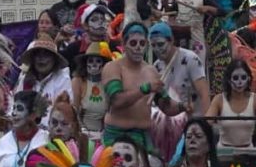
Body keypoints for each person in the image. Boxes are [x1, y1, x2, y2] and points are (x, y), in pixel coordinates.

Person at [101, 21, 168, 151]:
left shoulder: (152, 71)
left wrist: (183, 106)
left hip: (144, 137)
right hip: (116, 137)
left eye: (142, 43)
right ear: (124, 45)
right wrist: (145, 89)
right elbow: (116, 101)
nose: (138, 47)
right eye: (133, 43)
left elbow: (167, 106)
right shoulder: (112, 68)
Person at [0, 90, 50, 167]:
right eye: (13, 108)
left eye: (19, 109)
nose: (13, 113)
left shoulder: (46, 141)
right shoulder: (1, 144)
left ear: (34, 114)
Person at [150, 21, 209, 114]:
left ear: (171, 40)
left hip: (192, 122)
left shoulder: (191, 59)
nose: (157, 49)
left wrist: (206, 123)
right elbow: (162, 103)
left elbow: (204, 93)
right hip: (170, 122)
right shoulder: (156, 67)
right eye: (153, 45)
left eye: (160, 44)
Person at [207, 59, 256, 153]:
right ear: (229, 80)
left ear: (249, 78)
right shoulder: (219, 99)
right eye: (236, 78)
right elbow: (206, 124)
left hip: (248, 153)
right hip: (224, 153)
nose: (240, 82)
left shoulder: (254, 99)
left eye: (243, 77)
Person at [14, 37, 72, 117]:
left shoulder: (62, 79)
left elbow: (63, 112)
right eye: (38, 55)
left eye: (46, 55)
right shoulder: (25, 79)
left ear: (54, 59)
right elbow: (16, 106)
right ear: (33, 59)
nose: (41, 59)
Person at [72, 41, 113, 139]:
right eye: (91, 61)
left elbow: (112, 112)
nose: (94, 64)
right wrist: (82, 131)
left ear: (104, 64)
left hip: (103, 134)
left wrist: (104, 133)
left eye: (98, 61)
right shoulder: (78, 81)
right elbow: (74, 111)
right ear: (85, 63)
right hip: (82, 133)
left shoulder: (109, 83)